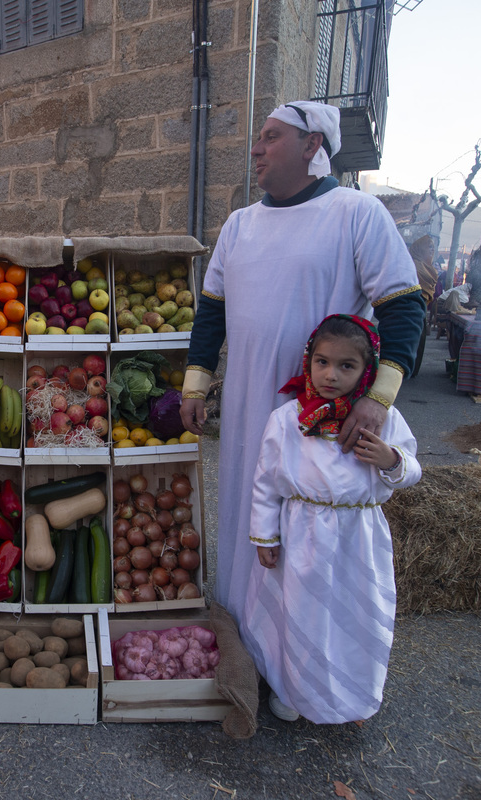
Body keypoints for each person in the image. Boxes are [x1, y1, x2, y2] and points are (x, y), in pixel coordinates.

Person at [179, 100, 424, 619]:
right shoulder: (238, 225)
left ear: (312, 145)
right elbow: (211, 315)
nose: (256, 149)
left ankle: (298, 665)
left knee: (305, 536)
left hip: (320, 416)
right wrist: (195, 385)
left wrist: (378, 401)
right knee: (250, 511)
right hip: (248, 408)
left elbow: (404, 309)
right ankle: (242, 635)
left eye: (270, 137)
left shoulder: (357, 213)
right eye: (258, 138)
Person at [241, 315, 422, 723]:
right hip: (301, 537)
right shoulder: (287, 419)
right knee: (299, 615)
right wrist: (265, 537)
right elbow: (266, 483)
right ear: (308, 361)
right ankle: (294, 691)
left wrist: (391, 460)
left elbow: (413, 470)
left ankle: (351, 693)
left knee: (355, 618)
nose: (331, 375)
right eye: (322, 362)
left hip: (357, 542)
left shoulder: (383, 420)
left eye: (346, 366)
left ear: (367, 371)